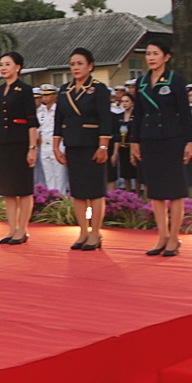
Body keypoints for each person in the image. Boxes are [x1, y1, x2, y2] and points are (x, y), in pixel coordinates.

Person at [131, 38, 192, 258]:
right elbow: (137, 114)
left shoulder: (175, 80)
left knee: (175, 192)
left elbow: (185, 113)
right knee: (156, 192)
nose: (151, 58)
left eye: (155, 53)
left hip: (172, 140)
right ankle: (162, 236)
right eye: (148, 54)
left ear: (166, 57)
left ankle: (174, 237)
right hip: (149, 140)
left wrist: (190, 141)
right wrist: (134, 141)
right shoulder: (141, 82)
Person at [54, 48, 113, 251]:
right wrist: (56, 147)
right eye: (72, 64)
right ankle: (83, 231)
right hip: (72, 145)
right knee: (78, 192)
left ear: (90, 66)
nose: (76, 68)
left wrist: (103, 146)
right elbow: (59, 120)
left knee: (95, 192)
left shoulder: (99, 89)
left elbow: (106, 120)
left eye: (80, 64)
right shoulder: (65, 90)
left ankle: (95, 232)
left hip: (92, 145)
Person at [0, 51, 39, 244]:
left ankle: (22, 229)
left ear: (18, 67)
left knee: (23, 188)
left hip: (20, 142)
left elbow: (32, 121)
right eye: (1, 64)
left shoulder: (25, 90)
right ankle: (11, 229)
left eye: (7, 64)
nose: (3, 68)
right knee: (8, 189)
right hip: (1, 143)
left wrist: (32, 147)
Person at [38, 85, 69, 195]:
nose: (45, 97)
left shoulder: (59, 110)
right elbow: (40, 130)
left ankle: (61, 198)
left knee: (59, 175)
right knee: (48, 175)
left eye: (48, 95)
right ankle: (51, 199)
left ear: (55, 96)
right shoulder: (41, 112)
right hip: (44, 146)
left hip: (57, 144)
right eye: (43, 95)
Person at [115, 93, 141, 193]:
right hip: (123, 148)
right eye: (123, 101)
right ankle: (128, 193)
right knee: (125, 173)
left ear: (132, 103)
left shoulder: (136, 117)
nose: (124, 104)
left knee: (136, 172)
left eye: (127, 101)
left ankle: (138, 193)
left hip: (134, 147)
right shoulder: (119, 117)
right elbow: (117, 134)